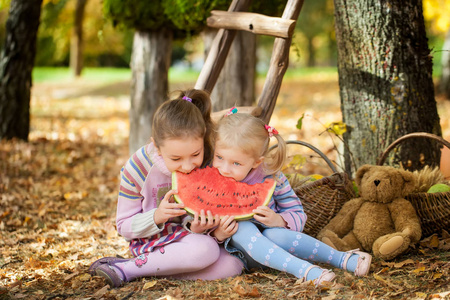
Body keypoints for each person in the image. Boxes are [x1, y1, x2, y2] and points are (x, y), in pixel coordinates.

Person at [88, 89, 243, 287]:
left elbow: (201, 222)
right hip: (151, 242)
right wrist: (157, 216)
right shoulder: (137, 168)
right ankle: (125, 269)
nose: (187, 166)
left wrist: (201, 228)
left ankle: (148, 270)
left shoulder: (209, 161)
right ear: (157, 147)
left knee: (233, 264)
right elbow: (123, 226)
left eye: (195, 154)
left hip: (193, 240)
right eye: (176, 159)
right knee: (207, 249)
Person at [210, 110, 372, 287]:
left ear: (256, 162)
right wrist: (218, 234)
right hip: (238, 254)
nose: (224, 169)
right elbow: (195, 222)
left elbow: (297, 212)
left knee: (275, 233)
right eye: (219, 157)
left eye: (236, 163)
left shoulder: (273, 178)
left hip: (278, 247)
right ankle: (305, 271)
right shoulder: (209, 178)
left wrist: (279, 220)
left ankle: (342, 258)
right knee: (242, 228)